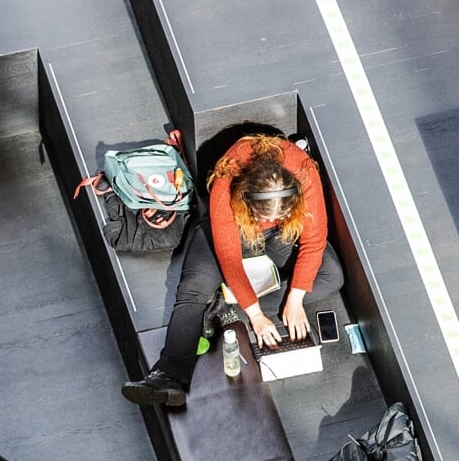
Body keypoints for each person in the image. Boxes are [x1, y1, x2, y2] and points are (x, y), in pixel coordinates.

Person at [120, 134, 344, 408]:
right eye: (264, 216)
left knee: (331, 274)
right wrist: (257, 315)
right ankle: (168, 374)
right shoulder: (227, 178)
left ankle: (224, 312)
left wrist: (296, 298)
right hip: (234, 229)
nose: (269, 220)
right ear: (245, 196)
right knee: (193, 289)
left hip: (281, 235)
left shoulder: (304, 171)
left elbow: (314, 240)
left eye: (278, 214)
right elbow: (229, 259)